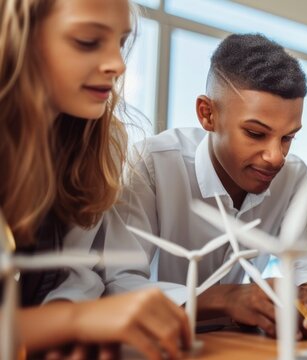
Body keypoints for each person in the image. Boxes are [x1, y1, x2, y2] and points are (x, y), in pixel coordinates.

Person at [113, 33, 307, 338]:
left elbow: (305, 262)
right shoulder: (152, 164)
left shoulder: (294, 176)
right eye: (255, 133)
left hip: (240, 345)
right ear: (208, 114)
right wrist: (228, 299)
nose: (276, 157)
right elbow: (119, 284)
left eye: (288, 138)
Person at [0, 0, 189, 358]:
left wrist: (64, 326)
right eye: (87, 41)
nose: (118, 65)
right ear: (15, 41)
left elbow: (71, 275)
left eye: (120, 42)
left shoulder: (94, 145)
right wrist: (74, 321)